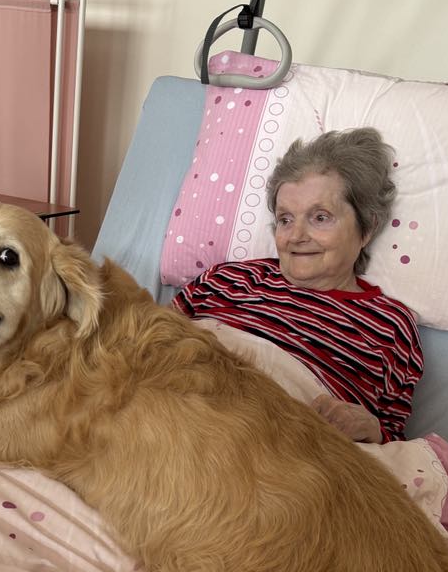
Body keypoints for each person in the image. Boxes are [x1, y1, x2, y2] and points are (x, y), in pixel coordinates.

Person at [173, 127, 422, 444]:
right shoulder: (226, 279)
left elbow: (394, 444)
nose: (296, 236)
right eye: (285, 219)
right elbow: (145, 339)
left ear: (367, 227)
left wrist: (372, 429)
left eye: (320, 217)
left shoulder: (390, 326)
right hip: (173, 413)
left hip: (270, 449)